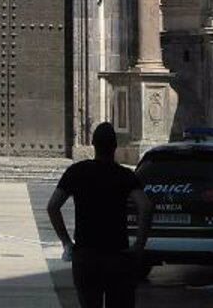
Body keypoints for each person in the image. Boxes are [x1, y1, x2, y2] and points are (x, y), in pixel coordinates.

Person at [45, 121, 151, 308]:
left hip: (86, 255)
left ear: (93, 144)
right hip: (117, 255)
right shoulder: (124, 175)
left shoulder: (76, 172)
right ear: (115, 146)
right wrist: (139, 245)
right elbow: (145, 206)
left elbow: (53, 206)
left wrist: (67, 242)